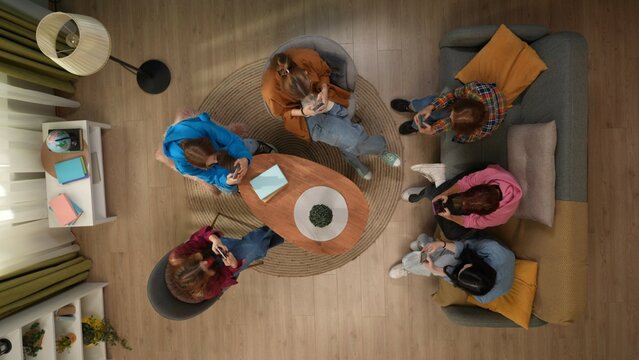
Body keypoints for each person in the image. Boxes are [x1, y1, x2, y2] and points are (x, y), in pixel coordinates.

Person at [261, 48, 401, 180]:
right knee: (351, 138)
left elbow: (324, 73)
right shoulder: (270, 90)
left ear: (306, 72)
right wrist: (303, 111)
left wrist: (324, 90)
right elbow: (282, 113)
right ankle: (378, 150)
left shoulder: (307, 58)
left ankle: (354, 158)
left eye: (308, 87)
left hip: (325, 97)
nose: (308, 95)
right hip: (303, 117)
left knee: (344, 137)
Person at [156, 110, 276, 193]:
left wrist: (244, 157)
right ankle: (237, 186)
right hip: (215, 163)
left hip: (223, 147)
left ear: (208, 142)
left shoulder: (202, 127)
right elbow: (211, 176)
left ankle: (258, 147)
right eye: (211, 163)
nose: (216, 161)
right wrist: (227, 182)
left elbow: (231, 139)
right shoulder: (185, 167)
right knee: (230, 187)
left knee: (246, 145)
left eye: (214, 156)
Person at [165, 225, 284, 303]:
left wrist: (215, 240)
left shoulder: (178, 255)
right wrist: (233, 265)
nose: (207, 262)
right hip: (223, 269)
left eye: (200, 261)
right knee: (255, 245)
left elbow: (200, 237)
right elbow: (224, 278)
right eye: (206, 268)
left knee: (255, 245)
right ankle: (273, 232)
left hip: (209, 247)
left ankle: (272, 234)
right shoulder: (206, 290)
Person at [402, 164, 522, 240]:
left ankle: (433, 189)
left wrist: (451, 217)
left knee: (452, 234)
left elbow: (472, 221)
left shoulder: (498, 217)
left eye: (467, 206)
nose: (462, 202)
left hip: (481, 215)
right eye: (465, 199)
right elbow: (465, 183)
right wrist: (445, 193)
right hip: (481, 174)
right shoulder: (490, 175)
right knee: (445, 200)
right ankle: (430, 191)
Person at [388, 233, 515, 304]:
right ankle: (422, 247)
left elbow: (454, 278)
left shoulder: (482, 297)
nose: (461, 266)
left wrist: (436, 270)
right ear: (474, 264)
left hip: (474, 268)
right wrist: (441, 244)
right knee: (441, 258)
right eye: (463, 267)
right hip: (479, 246)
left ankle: (414, 258)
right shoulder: (492, 249)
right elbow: (466, 246)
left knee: (440, 264)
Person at [390, 81, 506, 143]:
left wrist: (434, 130)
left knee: (438, 114)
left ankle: (415, 127)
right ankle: (411, 107)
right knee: (428, 102)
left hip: (490, 114)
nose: (449, 115)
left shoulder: (478, 132)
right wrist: (431, 106)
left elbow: (454, 129)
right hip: (486, 95)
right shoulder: (473, 90)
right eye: (452, 112)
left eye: (452, 118)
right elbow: (452, 95)